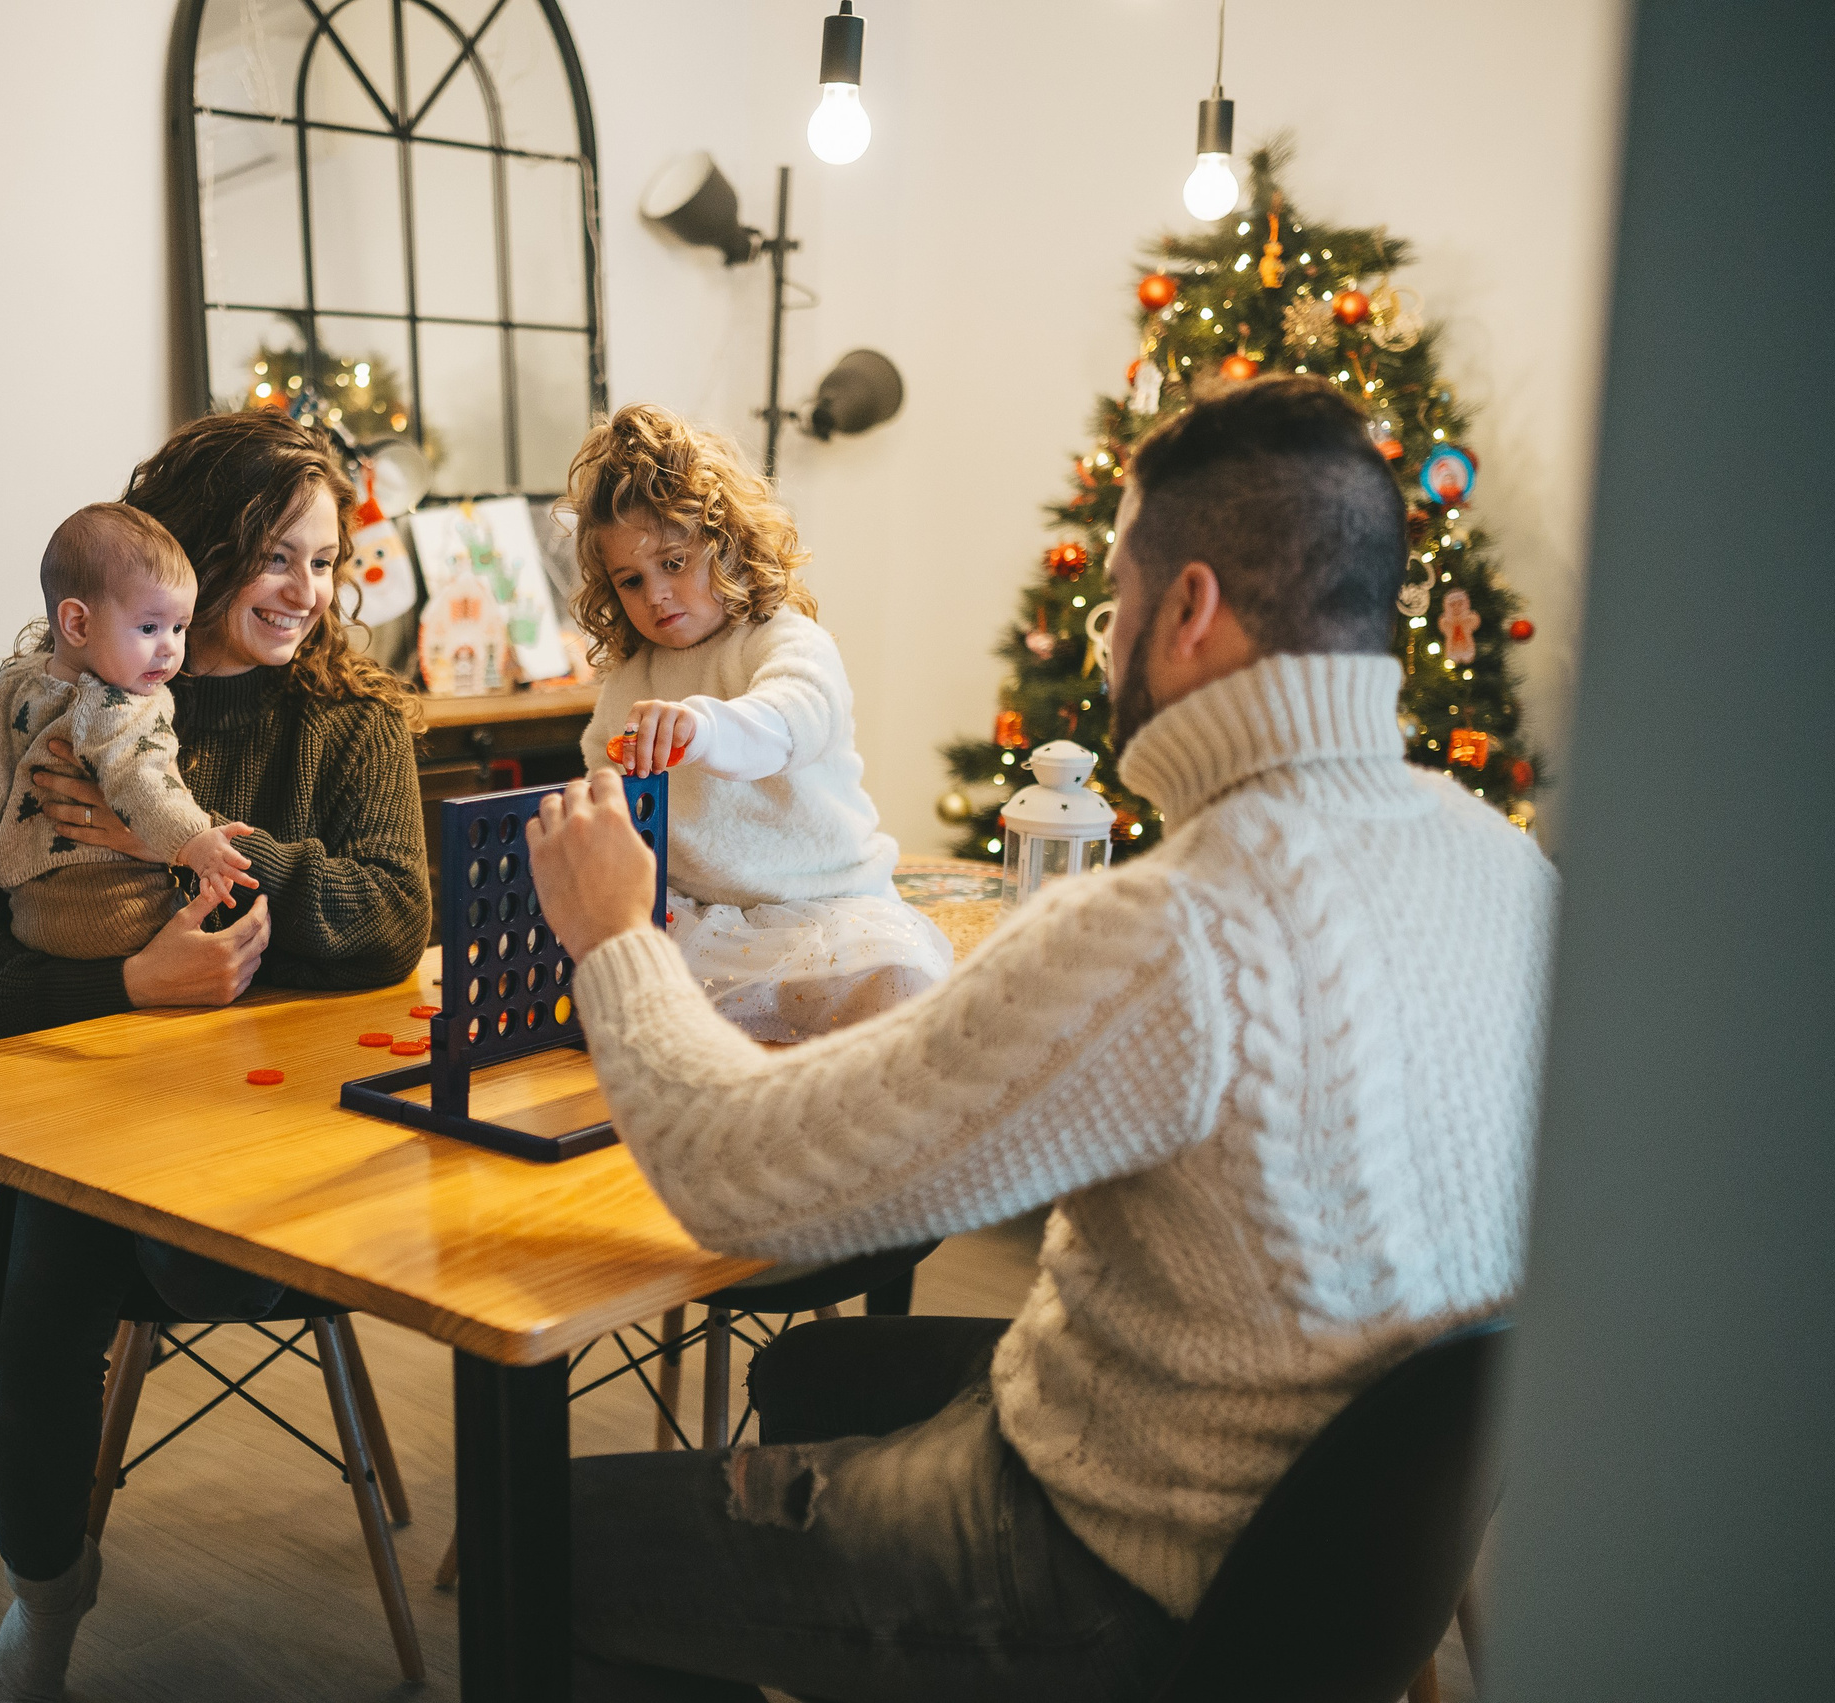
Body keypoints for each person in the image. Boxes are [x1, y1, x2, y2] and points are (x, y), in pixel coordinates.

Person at [525, 376, 1555, 1702]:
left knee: (544, 1535)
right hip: (1336, 1558)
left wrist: (617, 938)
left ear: (1184, 610)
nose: (1104, 624)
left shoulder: (1170, 926)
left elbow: (730, 1171)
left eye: (1116, 592)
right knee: (816, 1366)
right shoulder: (1509, 869)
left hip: (1118, 1570)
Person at [0, 412, 430, 1703]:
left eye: (324, 563)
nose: (306, 594)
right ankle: (46, 1594)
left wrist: (204, 843)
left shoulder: (350, 720)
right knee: (26, 1289)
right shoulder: (55, 703)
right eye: (275, 557)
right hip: (90, 1132)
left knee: (132, 1255)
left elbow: (387, 920)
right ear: (198, 550)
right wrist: (128, 981)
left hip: (275, 1150)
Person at [568, 403, 951, 1042]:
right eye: (630, 580)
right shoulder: (631, 680)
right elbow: (608, 788)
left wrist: (703, 730)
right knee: (614, 994)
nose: (655, 594)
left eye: (673, 563)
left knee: (898, 984)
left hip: (830, 909)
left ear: (731, 545)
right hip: (701, 918)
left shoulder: (784, 641)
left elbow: (786, 722)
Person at [0, 502, 258, 956]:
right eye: (150, 626)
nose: (170, 649)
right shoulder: (125, 707)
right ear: (77, 622)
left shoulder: (11, 682)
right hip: (126, 916)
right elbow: (145, 781)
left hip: (30, 920)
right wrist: (194, 840)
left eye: (179, 627)